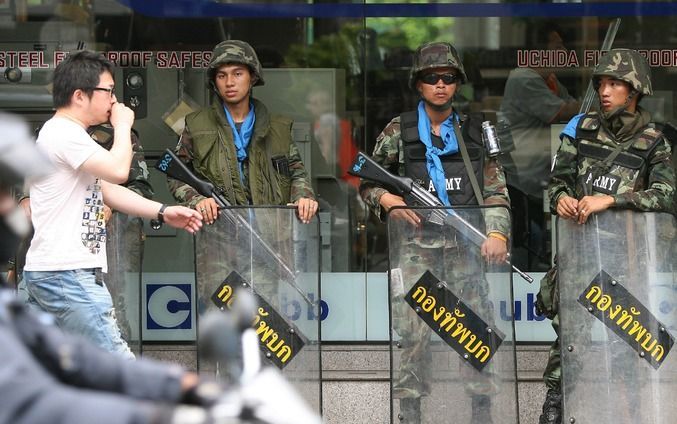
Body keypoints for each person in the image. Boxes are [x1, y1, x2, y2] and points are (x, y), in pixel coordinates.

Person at [359, 41, 511, 424]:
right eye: (431, 78)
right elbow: (366, 181)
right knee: (412, 336)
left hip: (465, 247)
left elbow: (495, 191)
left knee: (475, 333)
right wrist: (387, 200)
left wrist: (498, 235)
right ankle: (410, 413)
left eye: (447, 78)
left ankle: (481, 413)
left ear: (457, 83)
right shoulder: (399, 130)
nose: (440, 84)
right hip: (416, 249)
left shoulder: (475, 132)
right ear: (419, 84)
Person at [21, 50, 203, 359]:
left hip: (55, 272)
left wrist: (161, 211)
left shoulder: (65, 135)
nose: (114, 101)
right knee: (122, 370)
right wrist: (123, 125)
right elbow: (120, 171)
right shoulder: (64, 134)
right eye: (108, 90)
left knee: (55, 374)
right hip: (68, 274)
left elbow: (108, 189)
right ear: (80, 95)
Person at [538, 48, 675, 424]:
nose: (604, 91)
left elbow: (666, 197)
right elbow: (556, 184)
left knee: (628, 349)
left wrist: (611, 201)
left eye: (614, 83)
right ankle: (554, 408)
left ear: (634, 91)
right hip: (580, 255)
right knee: (570, 342)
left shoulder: (655, 142)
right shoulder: (581, 131)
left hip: (628, 264)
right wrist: (563, 199)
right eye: (601, 83)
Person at [168, 40, 318, 318]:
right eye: (222, 75)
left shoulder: (278, 129)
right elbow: (176, 175)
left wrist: (303, 197)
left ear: (253, 77)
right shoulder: (196, 125)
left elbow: (297, 172)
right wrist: (197, 199)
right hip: (218, 243)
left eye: (238, 73)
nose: (230, 82)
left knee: (264, 326)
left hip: (266, 241)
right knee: (222, 325)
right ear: (214, 81)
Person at [499, 22, 580, 268]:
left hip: (542, 172)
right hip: (523, 175)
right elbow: (561, 111)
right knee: (529, 239)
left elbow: (570, 108)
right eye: (557, 46)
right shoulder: (523, 77)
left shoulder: (550, 79)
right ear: (540, 51)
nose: (563, 50)